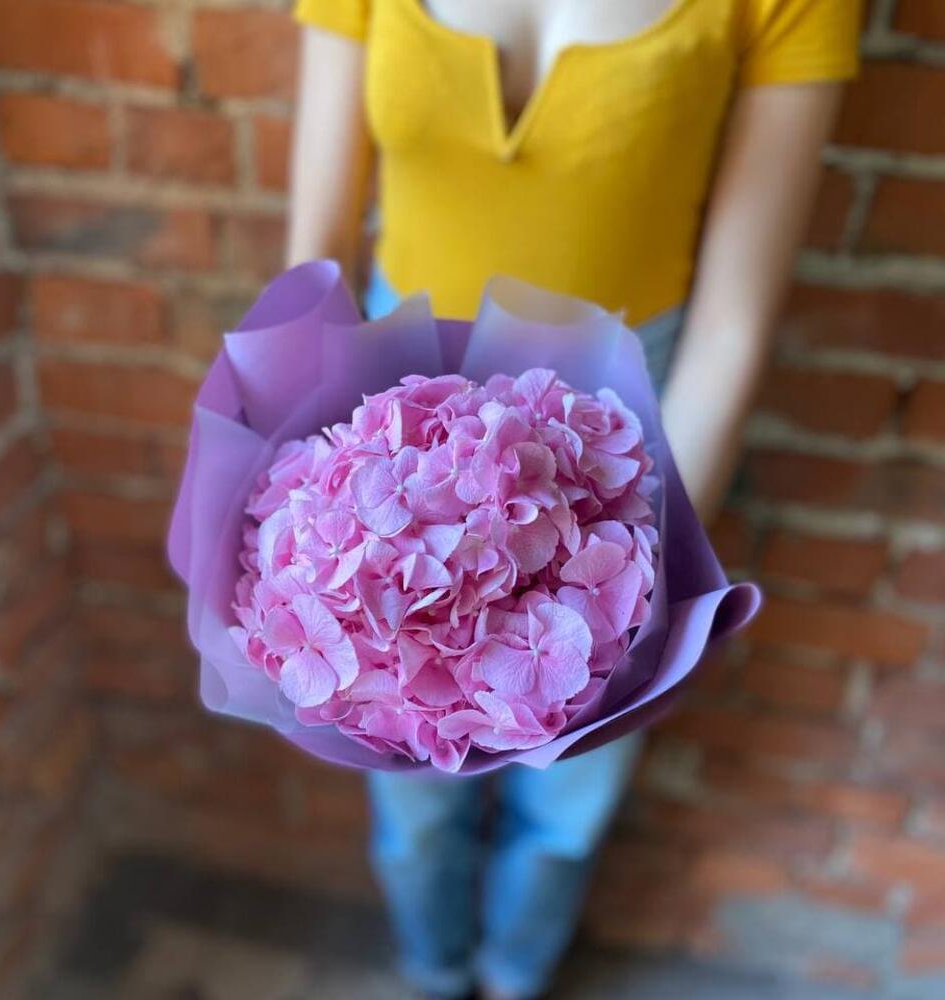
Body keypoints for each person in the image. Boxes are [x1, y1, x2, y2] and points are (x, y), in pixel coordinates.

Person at [284, 2, 860, 997]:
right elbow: (319, 246)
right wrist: (302, 486)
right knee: (406, 779)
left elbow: (732, 325)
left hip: (628, 426)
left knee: (572, 781)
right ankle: (433, 969)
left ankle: (516, 974)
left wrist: (647, 565)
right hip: (394, 408)